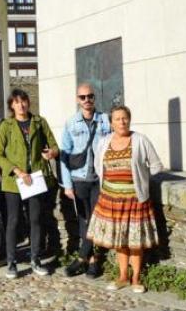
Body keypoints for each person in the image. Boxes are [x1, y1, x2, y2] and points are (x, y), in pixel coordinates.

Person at [88, 105, 163, 294]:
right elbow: (98, 166)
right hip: (111, 200)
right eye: (117, 119)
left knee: (135, 241)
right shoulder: (104, 142)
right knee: (119, 240)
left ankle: (136, 277)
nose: (122, 122)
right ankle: (122, 276)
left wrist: (141, 178)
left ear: (129, 120)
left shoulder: (140, 140)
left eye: (125, 118)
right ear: (111, 123)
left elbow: (156, 166)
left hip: (135, 200)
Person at [0, 89, 60, 279]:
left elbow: (54, 146)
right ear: (11, 105)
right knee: (14, 221)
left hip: (35, 179)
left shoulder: (39, 122)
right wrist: (17, 171)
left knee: (35, 220)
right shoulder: (6, 125)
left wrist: (51, 153)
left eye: (23, 101)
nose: (21, 105)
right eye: (16, 102)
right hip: (14, 181)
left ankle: (35, 259)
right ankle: (11, 262)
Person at [61, 83, 112, 279]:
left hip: (98, 179)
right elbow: (64, 155)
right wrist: (67, 185)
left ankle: (83, 258)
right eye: (82, 97)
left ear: (94, 98)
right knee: (84, 220)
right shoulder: (71, 123)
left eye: (90, 96)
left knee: (95, 219)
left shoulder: (105, 120)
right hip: (79, 179)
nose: (87, 100)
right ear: (77, 99)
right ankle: (92, 260)